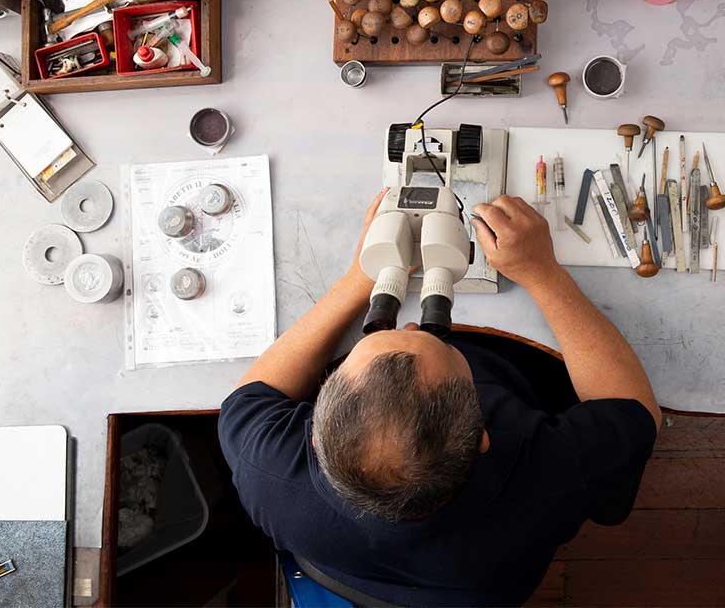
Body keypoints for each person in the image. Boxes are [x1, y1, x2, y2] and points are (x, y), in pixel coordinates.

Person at [219, 191, 660, 606]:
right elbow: (633, 409)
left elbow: (253, 393)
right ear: (481, 436)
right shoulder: (544, 483)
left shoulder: (270, 474)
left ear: (316, 435)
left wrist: (362, 278)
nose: (410, 325)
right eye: (441, 347)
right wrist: (542, 272)